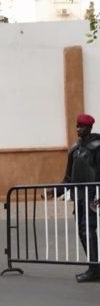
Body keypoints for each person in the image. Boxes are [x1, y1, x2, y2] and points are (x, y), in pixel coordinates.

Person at [52, 113, 100, 282]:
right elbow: (69, 177)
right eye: (77, 126)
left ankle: (95, 269)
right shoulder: (74, 149)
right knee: (82, 230)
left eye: (82, 126)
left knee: (89, 229)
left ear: (90, 127)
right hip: (78, 195)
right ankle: (94, 266)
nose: (79, 129)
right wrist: (55, 191)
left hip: (93, 195)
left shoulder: (97, 146)